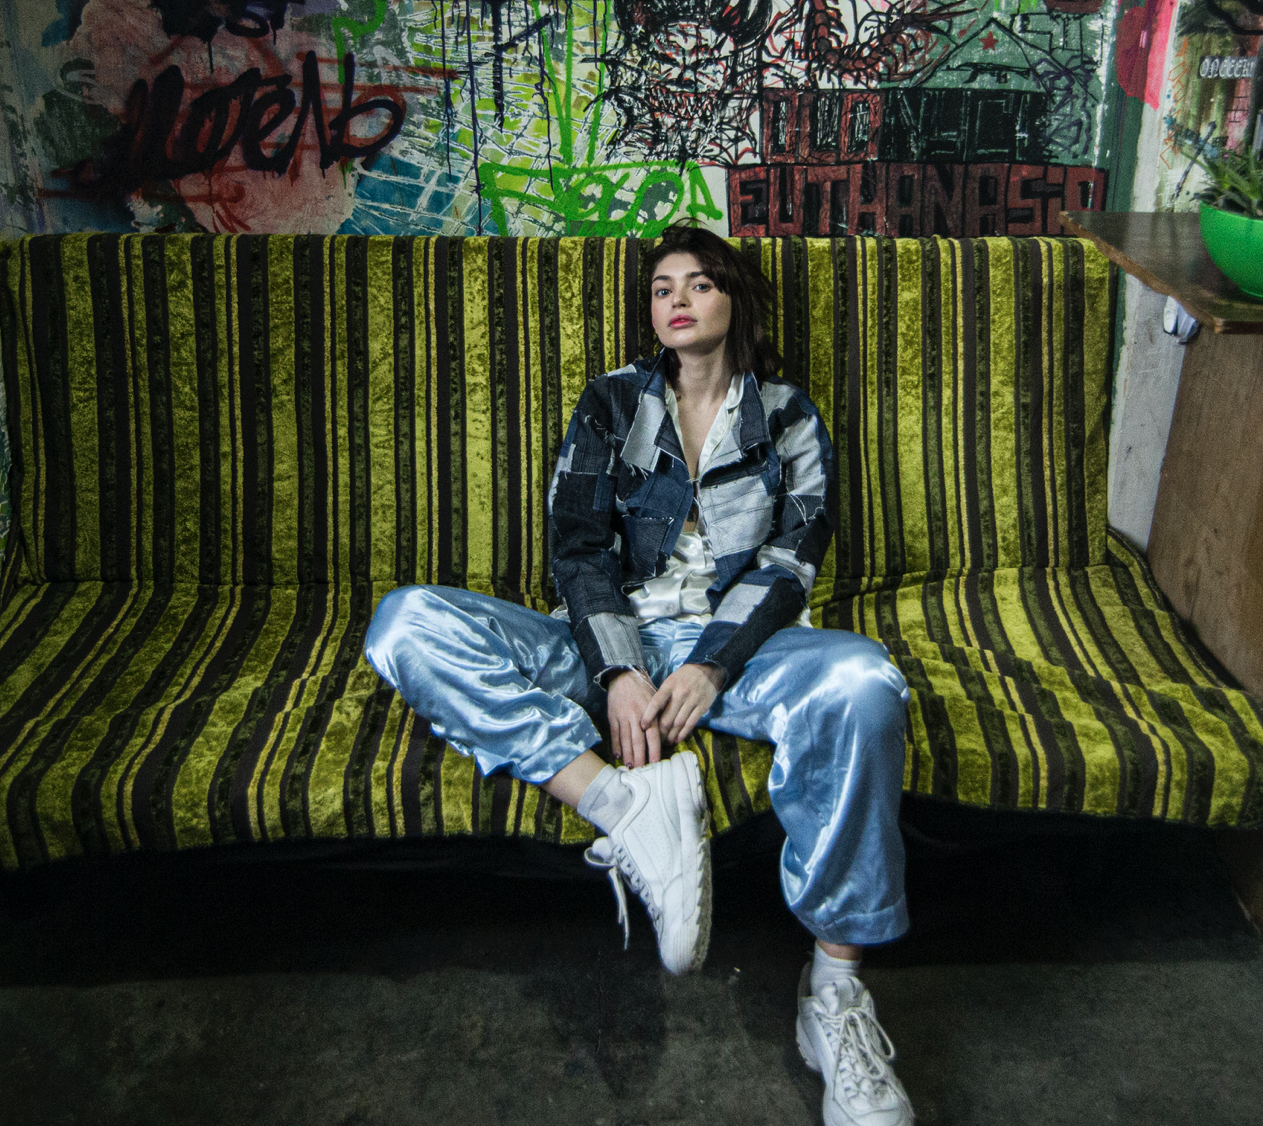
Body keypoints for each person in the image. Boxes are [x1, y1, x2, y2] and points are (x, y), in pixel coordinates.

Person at [363, 225, 915, 1126]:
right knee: (405, 624)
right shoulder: (611, 402)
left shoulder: (788, 415)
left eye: (700, 283)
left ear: (735, 298)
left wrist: (710, 664)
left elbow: (792, 560)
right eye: (663, 288)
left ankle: (837, 993)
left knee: (864, 684)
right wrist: (619, 669)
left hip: (742, 650)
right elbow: (578, 551)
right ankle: (621, 806)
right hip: (610, 642)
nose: (678, 300)